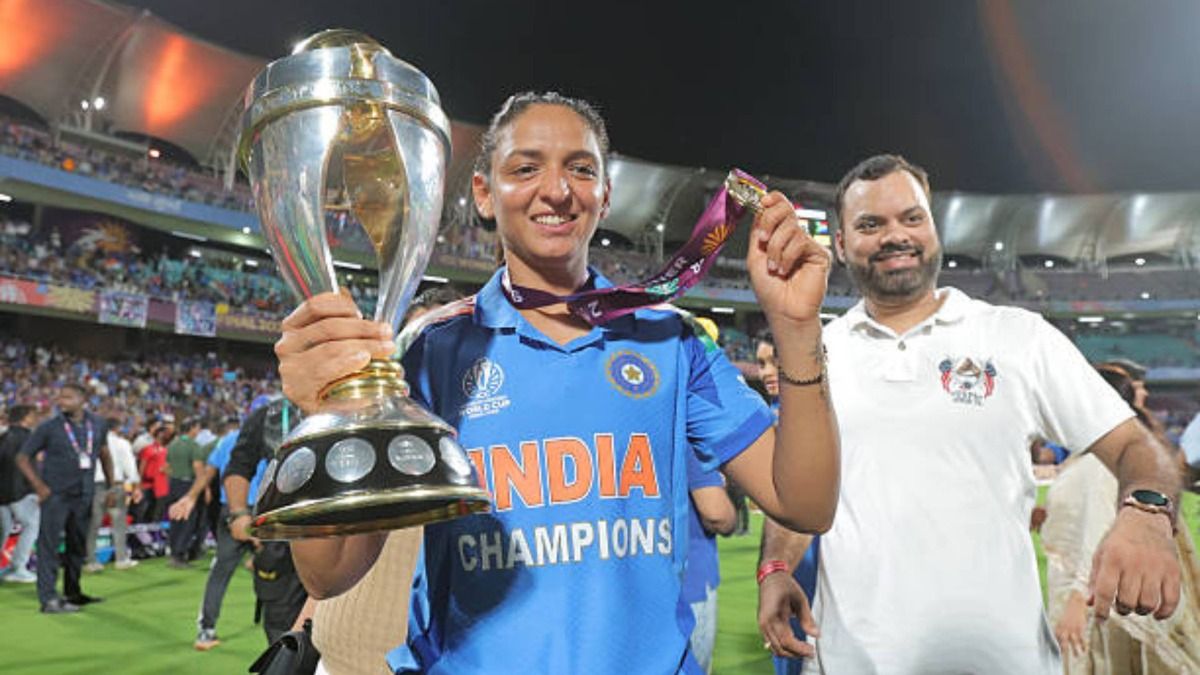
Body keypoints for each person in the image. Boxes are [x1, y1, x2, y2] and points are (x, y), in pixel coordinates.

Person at [274, 92, 839, 674]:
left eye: (581, 168)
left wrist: (796, 328)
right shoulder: (431, 350)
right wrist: (325, 413)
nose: (557, 189)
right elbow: (330, 570)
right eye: (525, 168)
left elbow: (806, 503)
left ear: (605, 196)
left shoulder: (670, 342)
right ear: (485, 195)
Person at [757, 154, 1183, 674]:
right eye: (871, 224)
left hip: (1005, 661)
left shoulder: (1017, 337)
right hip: (854, 660)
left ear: (934, 228)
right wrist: (775, 567)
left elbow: (1137, 446)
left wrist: (1146, 513)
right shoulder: (817, 352)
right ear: (841, 245)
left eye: (911, 218)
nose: (896, 236)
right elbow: (797, 488)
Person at [1043, 363, 1200, 674]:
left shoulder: (1100, 464)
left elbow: (1101, 528)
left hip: (1104, 606)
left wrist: (1077, 597)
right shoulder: (1105, 459)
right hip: (1112, 601)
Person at [15, 382, 114, 613]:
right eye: (60, 397)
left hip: (85, 493)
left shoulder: (98, 424)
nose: (61, 401)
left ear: (83, 400)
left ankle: (73, 592)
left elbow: (104, 454)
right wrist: (39, 486)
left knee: (77, 546)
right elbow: (22, 457)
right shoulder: (49, 427)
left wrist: (112, 487)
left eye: (67, 397)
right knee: (49, 546)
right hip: (56, 495)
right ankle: (48, 598)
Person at [755, 334, 820, 675]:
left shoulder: (811, 420)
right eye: (762, 363)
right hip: (785, 556)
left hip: (812, 556)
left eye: (774, 363)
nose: (766, 372)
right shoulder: (770, 415)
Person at [168, 415, 258, 650]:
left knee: (220, 571)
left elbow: (209, 470)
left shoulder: (229, 439)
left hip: (232, 510)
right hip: (262, 510)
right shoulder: (278, 432)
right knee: (284, 572)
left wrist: (191, 496)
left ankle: (206, 630)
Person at [224, 397, 308, 644]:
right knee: (284, 637)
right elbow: (239, 465)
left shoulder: (356, 406)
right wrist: (239, 513)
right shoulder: (269, 416)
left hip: (345, 541)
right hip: (282, 541)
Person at [84, 417, 141, 571]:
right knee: (119, 523)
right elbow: (130, 467)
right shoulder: (122, 443)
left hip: (94, 484)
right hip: (115, 484)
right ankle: (121, 559)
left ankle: (91, 561)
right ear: (116, 428)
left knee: (93, 524)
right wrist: (135, 486)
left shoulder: (90, 442)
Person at [0, 404, 40, 583]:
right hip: (20, 492)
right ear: (26, 417)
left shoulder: (4, 436)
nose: (35, 419)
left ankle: (12, 568)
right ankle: (18, 567)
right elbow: (27, 466)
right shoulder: (29, 438)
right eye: (33, 415)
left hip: (2, 492)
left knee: (4, 530)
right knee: (32, 525)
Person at [165, 416, 206, 567]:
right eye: (197, 427)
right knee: (188, 521)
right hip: (188, 485)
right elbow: (199, 470)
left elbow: (166, 467)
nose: (199, 431)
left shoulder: (173, 444)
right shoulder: (194, 446)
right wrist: (200, 488)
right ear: (192, 428)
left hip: (174, 483)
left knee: (176, 519)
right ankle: (180, 554)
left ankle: (173, 551)